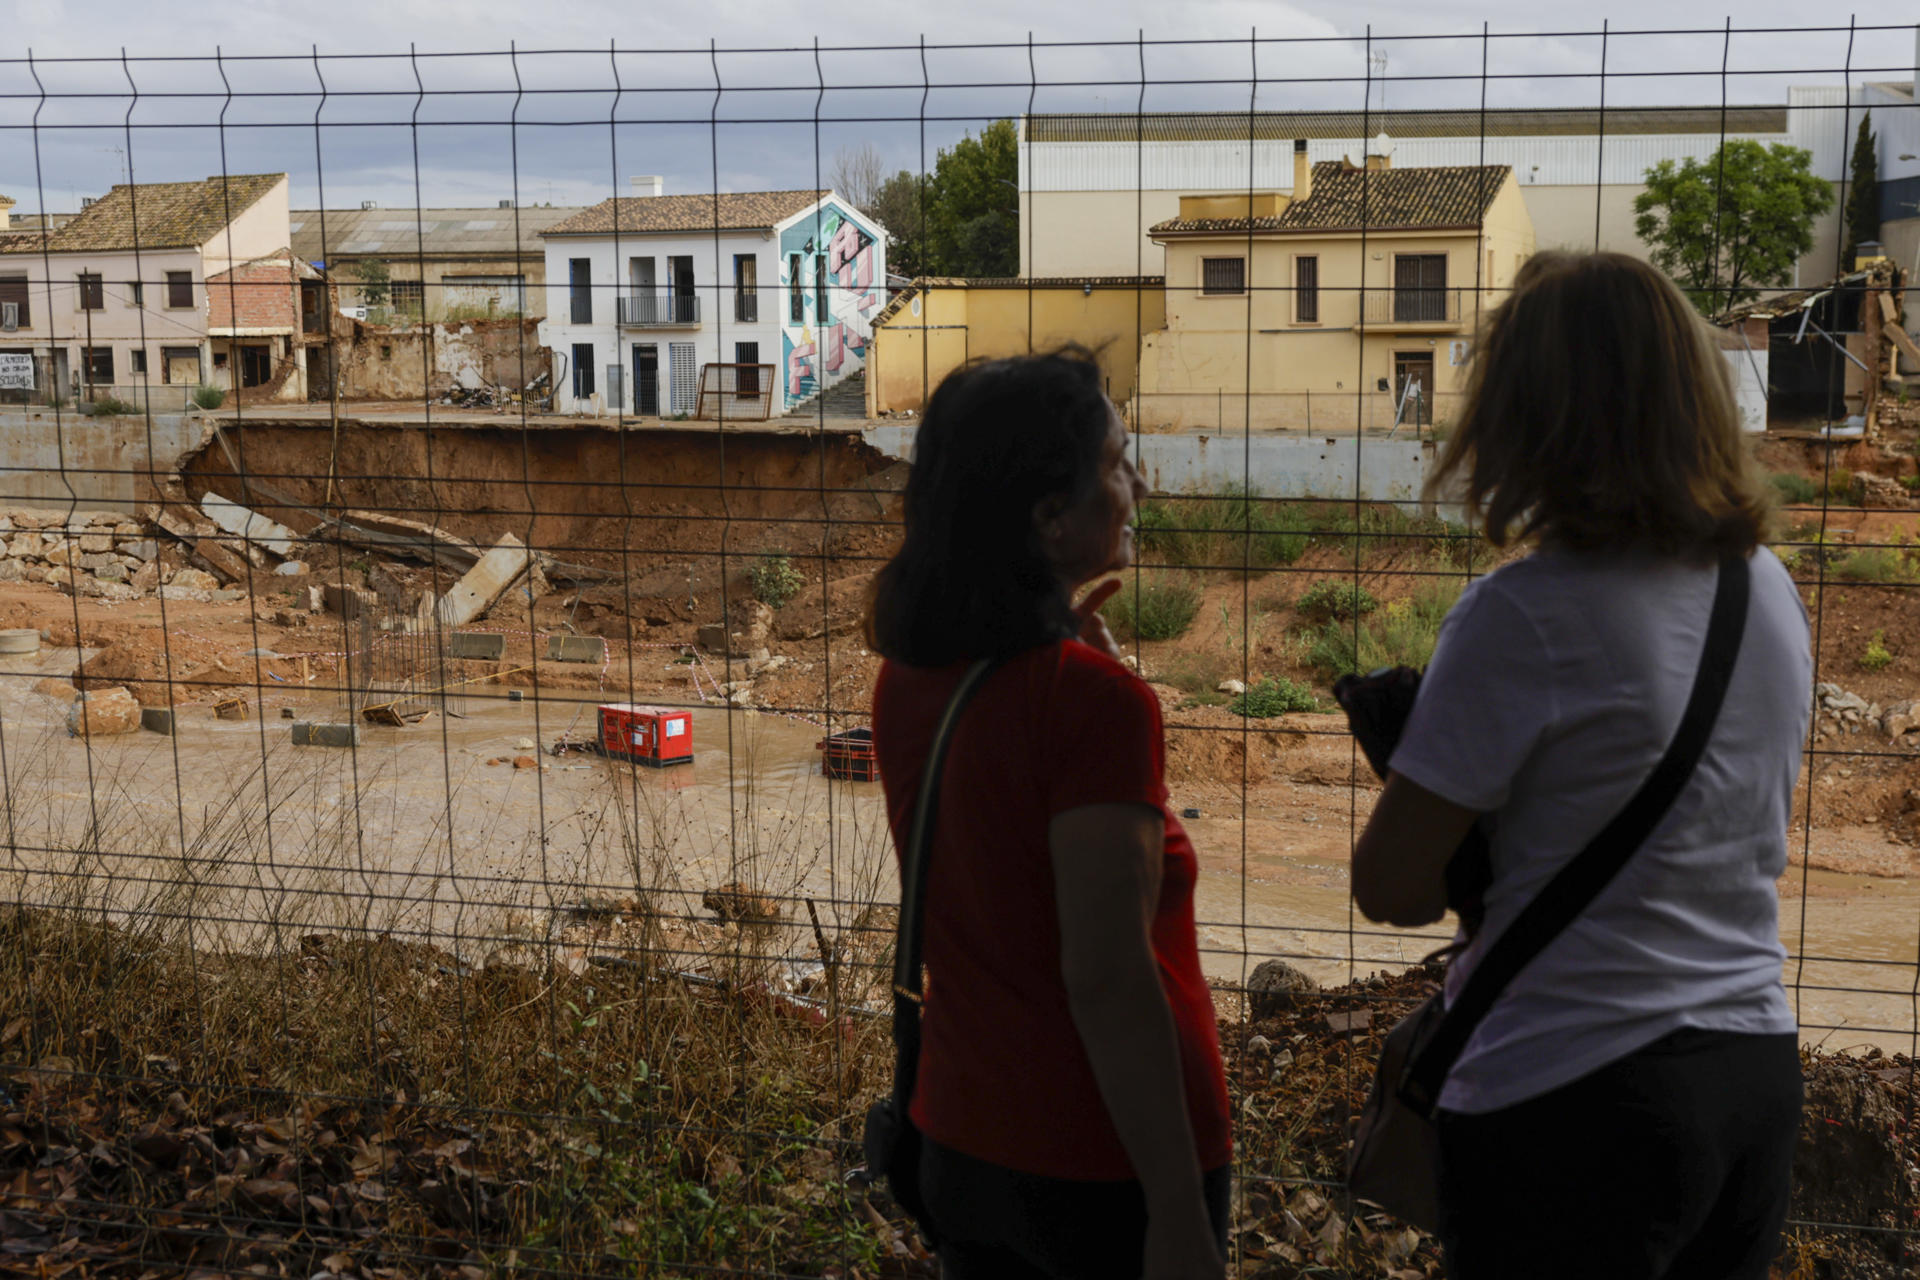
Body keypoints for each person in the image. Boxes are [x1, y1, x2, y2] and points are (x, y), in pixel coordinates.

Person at [1350, 251, 1810, 1279]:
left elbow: (1390, 889)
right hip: (1751, 1077)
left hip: (1575, 1093)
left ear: (1529, 412)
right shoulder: (1767, 592)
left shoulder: (1523, 613)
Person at [866, 350, 1230, 1280]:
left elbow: (997, 883)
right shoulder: (1093, 705)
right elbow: (1108, 978)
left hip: (962, 1138)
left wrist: (1079, 656)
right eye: (1115, 462)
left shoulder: (908, 685)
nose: (1139, 481)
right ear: (1048, 517)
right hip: (1100, 1168)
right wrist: (1180, 1212)